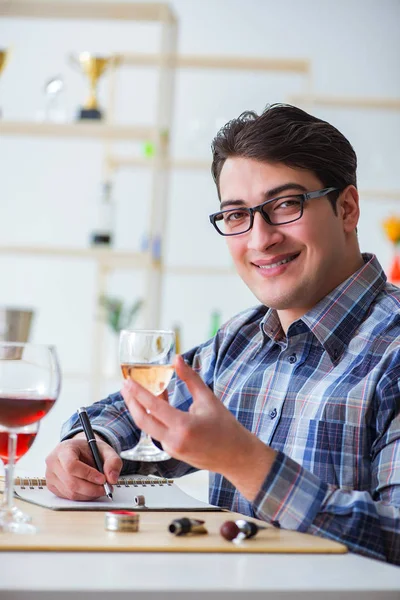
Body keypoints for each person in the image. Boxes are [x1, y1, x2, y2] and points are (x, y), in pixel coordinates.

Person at [46, 103, 400, 565]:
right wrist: (89, 448)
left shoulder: (390, 353)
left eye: (286, 204)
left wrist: (244, 461)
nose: (260, 238)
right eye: (237, 216)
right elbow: (139, 410)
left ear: (347, 208)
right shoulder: (240, 341)